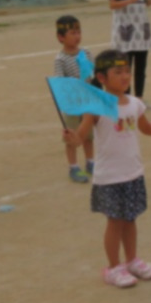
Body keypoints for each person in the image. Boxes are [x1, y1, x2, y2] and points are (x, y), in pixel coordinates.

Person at [64, 50, 151, 288]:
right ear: (102, 78)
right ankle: (113, 267)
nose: (125, 76)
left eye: (127, 71)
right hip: (110, 177)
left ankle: (132, 260)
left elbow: (147, 129)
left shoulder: (135, 103)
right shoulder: (97, 106)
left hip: (133, 172)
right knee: (115, 221)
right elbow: (81, 136)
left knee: (130, 219)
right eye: (117, 72)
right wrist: (73, 139)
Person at [53, 15, 94, 182]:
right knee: (71, 136)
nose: (77, 36)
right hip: (72, 103)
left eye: (79, 32)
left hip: (87, 100)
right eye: (72, 33)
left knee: (88, 135)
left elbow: (93, 74)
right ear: (61, 37)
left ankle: (91, 162)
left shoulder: (86, 53)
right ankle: (74, 167)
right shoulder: (60, 59)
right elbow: (61, 81)